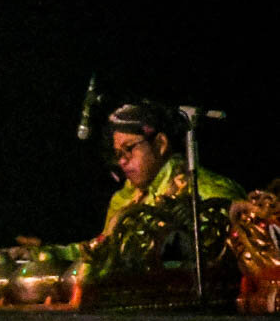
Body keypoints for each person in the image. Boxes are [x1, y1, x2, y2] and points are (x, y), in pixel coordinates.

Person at [26, 100, 247, 260]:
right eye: (118, 154)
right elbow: (102, 250)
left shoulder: (206, 189)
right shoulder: (123, 198)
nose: (122, 161)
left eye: (129, 149)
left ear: (160, 144)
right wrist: (46, 253)